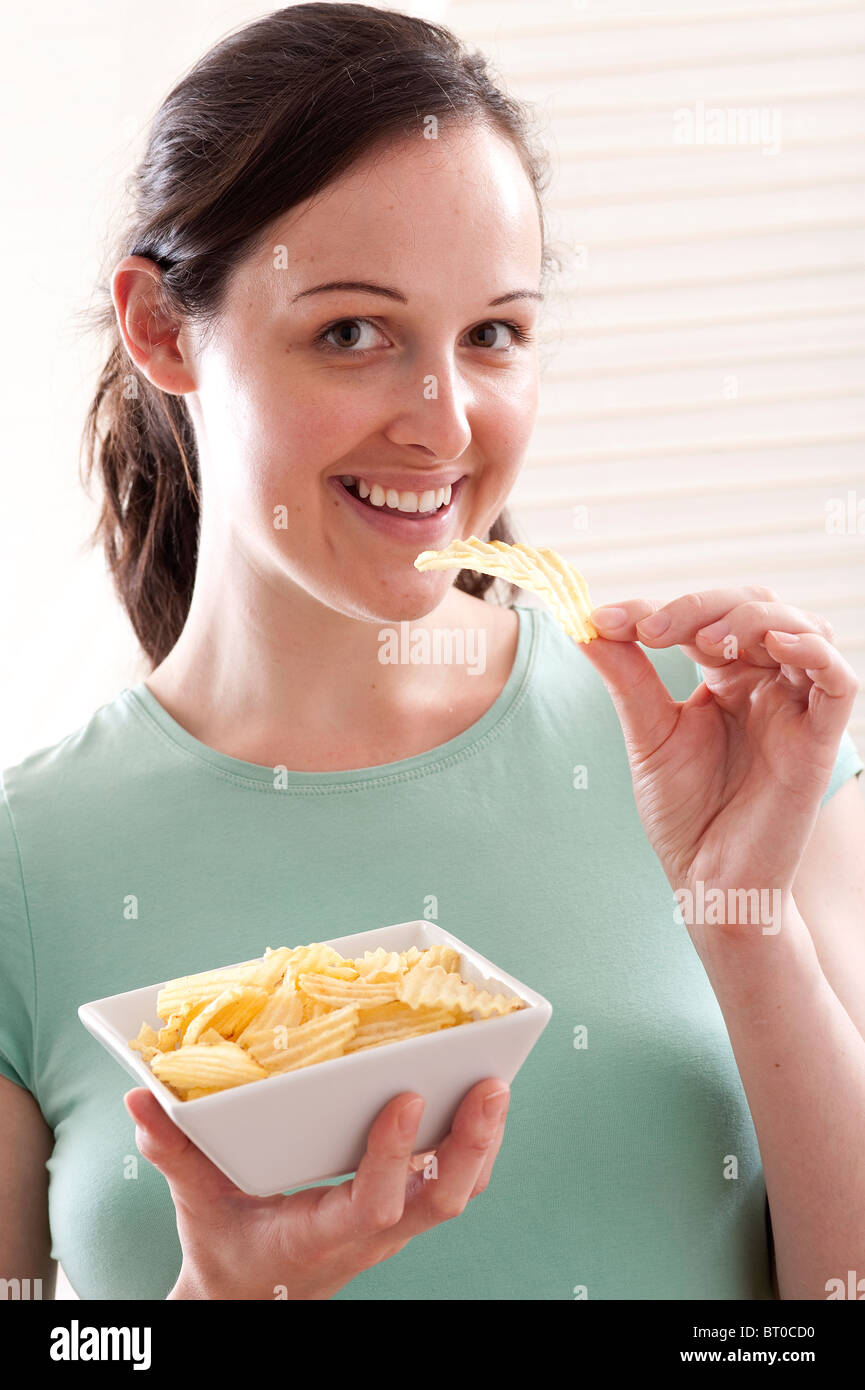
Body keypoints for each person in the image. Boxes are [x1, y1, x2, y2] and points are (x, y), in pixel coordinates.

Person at [2, 3, 864, 1303]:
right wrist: (223, 1299)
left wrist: (743, 926)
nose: (443, 422)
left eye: (492, 335)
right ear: (164, 328)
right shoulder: (28, 861)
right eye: (351, 331)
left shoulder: (735, 747)